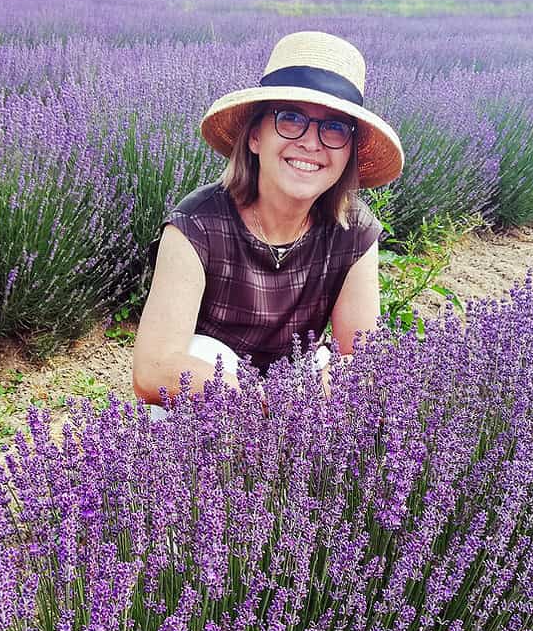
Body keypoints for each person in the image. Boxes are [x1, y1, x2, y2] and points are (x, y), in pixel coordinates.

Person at [132, 30, 404, 421]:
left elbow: (361, 357)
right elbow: (153, 369)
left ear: (349, 153)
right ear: (256, 136)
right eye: (290, 118)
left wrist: (310, 389)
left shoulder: (354, 230)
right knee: (198, 362)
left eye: (334, 128)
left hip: (299, 394)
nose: (312, 143)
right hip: (215, 403)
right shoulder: (197, 223)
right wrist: (261, 399)